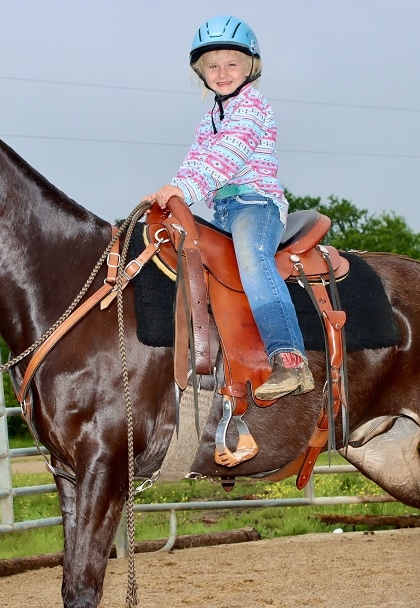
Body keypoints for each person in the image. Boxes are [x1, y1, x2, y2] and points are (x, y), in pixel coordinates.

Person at [144, 15, 314, 401]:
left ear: (251, 66)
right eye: (213, 66)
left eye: (231, 63)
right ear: (201, 73)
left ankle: (290, 359)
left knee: (253, 260)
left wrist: (184, 190)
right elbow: (195, 160)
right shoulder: (211, 117)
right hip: (222, 210)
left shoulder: (252, 108)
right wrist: (167, 195)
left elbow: (225, 159)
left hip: (256, 204)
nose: (222, 73)